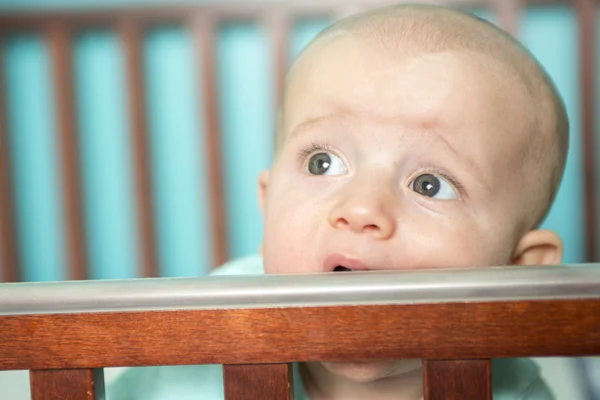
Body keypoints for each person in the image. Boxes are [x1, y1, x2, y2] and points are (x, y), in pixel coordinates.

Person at [108, 4, 568, 399]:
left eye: (429, 184)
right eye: (322, 163)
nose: (362, 208)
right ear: (268, 203)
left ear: (519, 269)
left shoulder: (510, 390)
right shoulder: (195, 351)